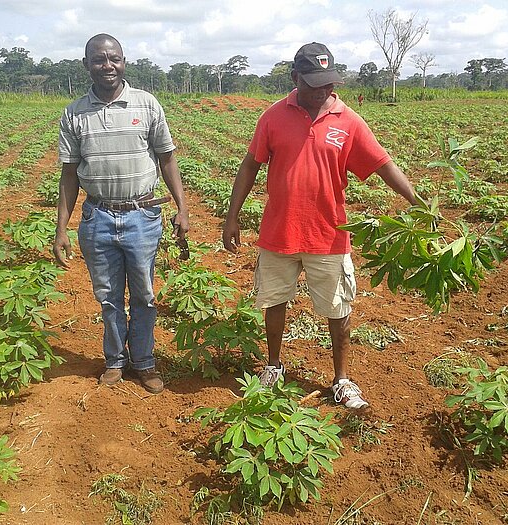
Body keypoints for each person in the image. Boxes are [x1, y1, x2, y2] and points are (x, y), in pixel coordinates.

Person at [222, 42, 417, 409]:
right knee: (275, 300)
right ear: (295, 79)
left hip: (329, 234)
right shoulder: (273, 116)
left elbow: (383, 165)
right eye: (314, 83)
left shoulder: (349, 120)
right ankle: (274, 365)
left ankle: (342, 378)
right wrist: (232, 217)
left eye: (328, 83)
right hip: (279, 230)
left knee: (338, 307)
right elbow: (250, 165)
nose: (324, 90)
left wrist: (417, 203)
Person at [54, 33, 189, 394]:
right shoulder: (73, 114)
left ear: (124, 61)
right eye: (99, 59)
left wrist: (182, 206)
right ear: (87, 65)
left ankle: (144, 361)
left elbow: (167, 158)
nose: (107, 66)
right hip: (97, 217)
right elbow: (69, 174)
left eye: (114, 58)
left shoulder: (146, 105)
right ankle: (115, 360)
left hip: (141, 215)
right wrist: (61, 229)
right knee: (109, 297)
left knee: (144, 295)